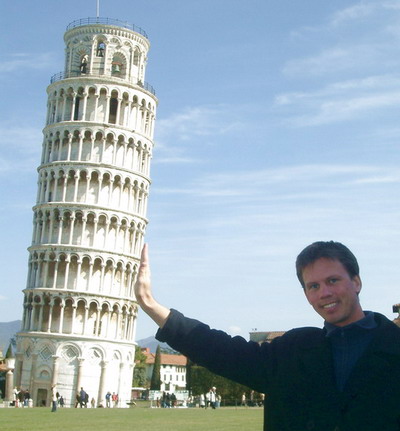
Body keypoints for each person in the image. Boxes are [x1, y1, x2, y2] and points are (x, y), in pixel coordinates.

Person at [134, 241, 400, 431]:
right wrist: (151, 305)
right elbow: (223, 351)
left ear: (356, 282)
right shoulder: (294, 349)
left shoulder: (393, 345)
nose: (324, 293)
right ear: (307, 294)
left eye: (333, 281)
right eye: (313, 286)